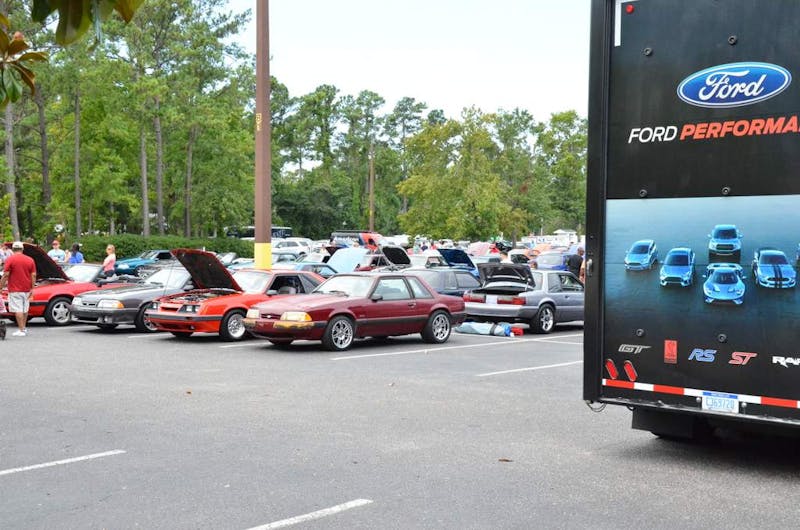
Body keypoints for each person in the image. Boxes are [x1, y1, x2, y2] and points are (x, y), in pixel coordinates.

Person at [0, 241, 36, 336]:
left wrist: (1, 286)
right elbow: (33, 275)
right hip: (27, 288)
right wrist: (33, 288)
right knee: (25, 309)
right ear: (22, 249)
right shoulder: (30, 260)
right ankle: (23, 328)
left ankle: (21, 330)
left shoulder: (10, 259)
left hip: (15, 288)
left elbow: (6, 275)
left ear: (12, 249)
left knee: (18, 309)